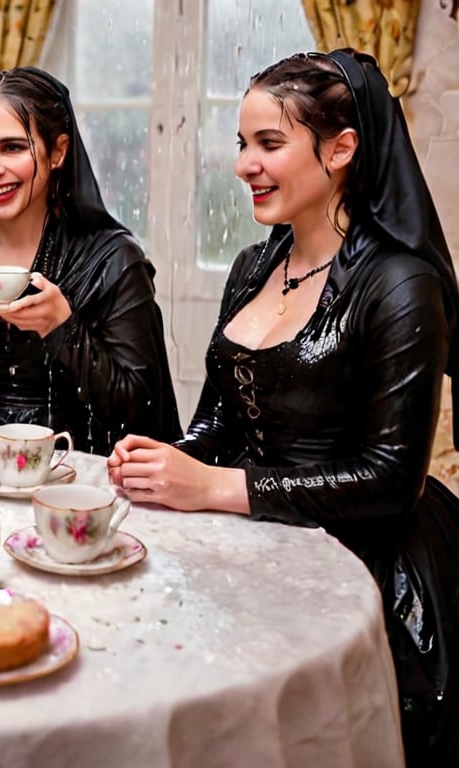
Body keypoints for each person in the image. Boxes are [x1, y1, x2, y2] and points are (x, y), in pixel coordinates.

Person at [108, 50, 459, 766]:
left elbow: (392, 481)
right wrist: (170, 458)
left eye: (270, 144)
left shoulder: (400, 285)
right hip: (253, 545)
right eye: (242, 144)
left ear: (341, 149)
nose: (244, 165)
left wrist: (214, 486)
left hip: (374, 580)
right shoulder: (252, 267)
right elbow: (221, 421)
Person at [0, 66, 181, 453]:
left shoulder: (113, 260)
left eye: (12, 148)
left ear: (58, 151)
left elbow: (141, 413)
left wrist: (62, 326)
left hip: (75, 471)